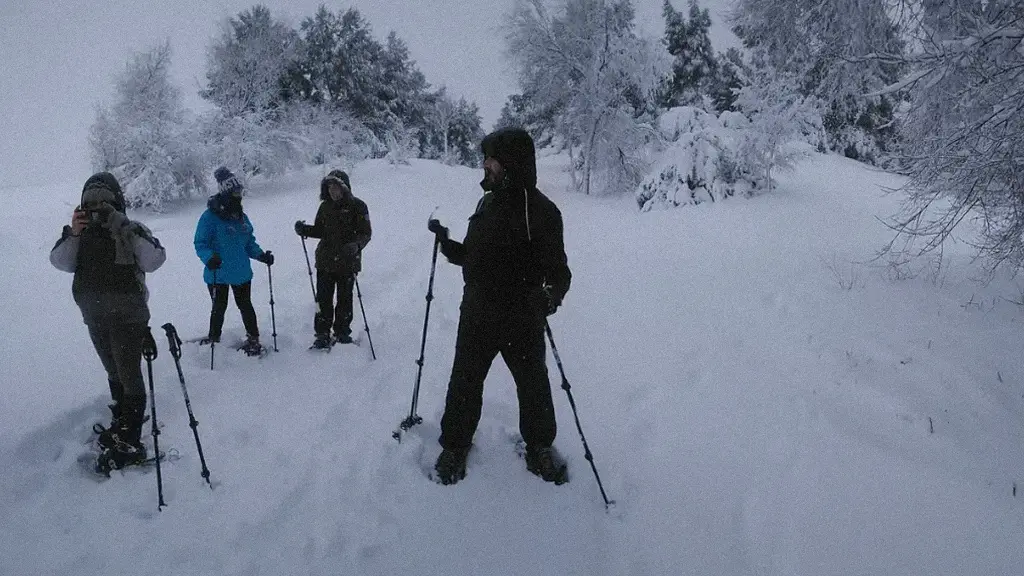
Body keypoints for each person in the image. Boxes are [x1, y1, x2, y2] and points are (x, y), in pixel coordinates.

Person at [427, 128, 572, 485]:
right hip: (477, 313)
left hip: (521, 318)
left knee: (533, 385)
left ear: (511, 164)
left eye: (491, 159)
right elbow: (476, 257)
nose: (485, 165)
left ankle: (539, 447)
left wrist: (548, 297)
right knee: (464, 381)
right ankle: (455, 447)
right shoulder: (486, 204)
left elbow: (559, 273)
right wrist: (449, 246)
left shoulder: (542, 212)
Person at [49, 172, 166, 471]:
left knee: (128, 373)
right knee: (114, 370)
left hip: (128, 314)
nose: (98, 209)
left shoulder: (129, 228)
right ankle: (123, 422)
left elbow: (154, 260)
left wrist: (124, 227)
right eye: (91, 204)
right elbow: (60, 262)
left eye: (105, 203)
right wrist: (74, 233)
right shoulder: (81, 234)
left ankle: (130, 441)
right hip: (94, 313)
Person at [194, 167, 274, 356]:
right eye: (235, 192)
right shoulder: (209, 217)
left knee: (245, 305)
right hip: (217, 271)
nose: (239, 196)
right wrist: (209, 258)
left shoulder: (241, 217)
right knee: (218, 307)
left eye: (240, 192)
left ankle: (253, 338)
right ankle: (214, 338)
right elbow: (200, 243)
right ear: (226, 193)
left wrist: (261, 255)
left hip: (240, 271)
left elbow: (248, 242)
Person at [294, 169, 372, 349]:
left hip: (348, 261)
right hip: (325, 261)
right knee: (323, 299)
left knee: (345, 299)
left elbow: (366, 233)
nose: (332, 191)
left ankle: (342, 332)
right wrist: (304, 230)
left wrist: (356, 246)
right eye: (329, 187)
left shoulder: (358, 206)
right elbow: (320, 230)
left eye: (336, 187)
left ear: (344, 187)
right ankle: (322, 333)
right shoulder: (325, 207)